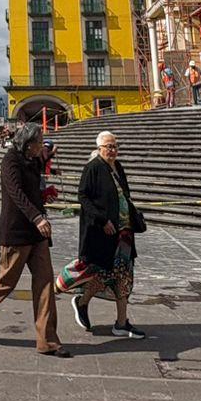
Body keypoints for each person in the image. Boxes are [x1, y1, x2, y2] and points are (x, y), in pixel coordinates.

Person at [0, 122, 68, 357]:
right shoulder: (10, 160)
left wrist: (44, 197)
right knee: (6, 281)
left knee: (45, 284)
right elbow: (16, 194)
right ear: (29, 143)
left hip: (38, 234)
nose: (41, 146)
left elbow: (33, 189)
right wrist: (36, 217)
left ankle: (47, 341)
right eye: (39, 142)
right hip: (17, 231)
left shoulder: (34, 160)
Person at [69, 131, 146, 340]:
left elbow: (125, 195)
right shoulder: (93, 167)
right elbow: (83, 197)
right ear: (99, 148)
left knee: (124, 276)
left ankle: (121, 323)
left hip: (124, 232)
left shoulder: (117, 167)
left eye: (115, 146)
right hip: (104, 233)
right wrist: (102, 220)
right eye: (108, 146)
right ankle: (82, 302)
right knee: (102, 274)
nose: (112, 150)